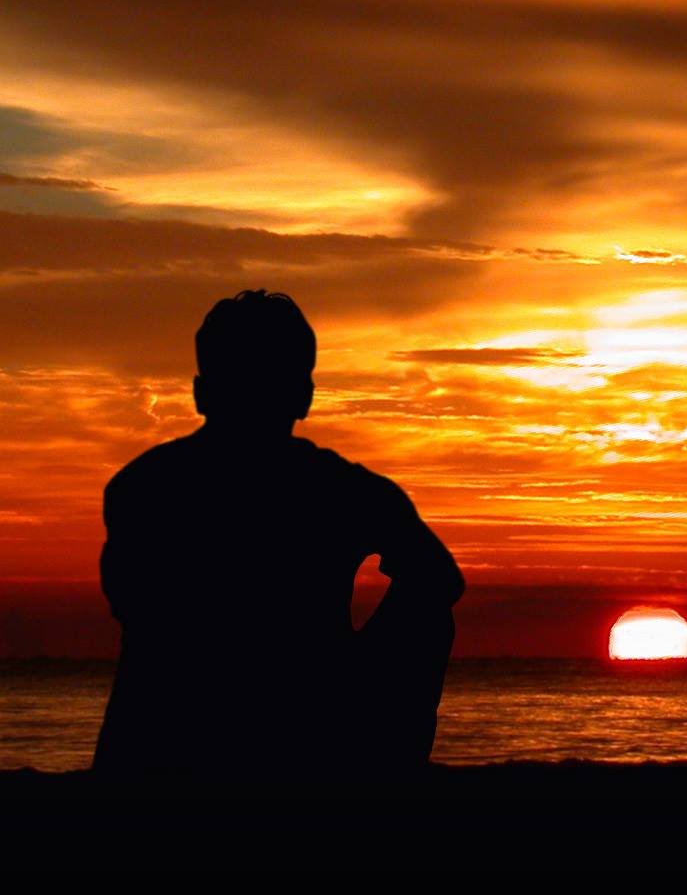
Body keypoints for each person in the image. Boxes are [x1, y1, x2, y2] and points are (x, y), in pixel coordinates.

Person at [92, 290, 464, 778]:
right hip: (302, 723)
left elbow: (131, 603)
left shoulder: (141, 486)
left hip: (161, 733)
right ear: (304, 396)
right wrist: (350, 665)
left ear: (201, 392)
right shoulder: (344, 490)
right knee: (429, 616)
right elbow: (439, 581)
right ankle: (382, 767)